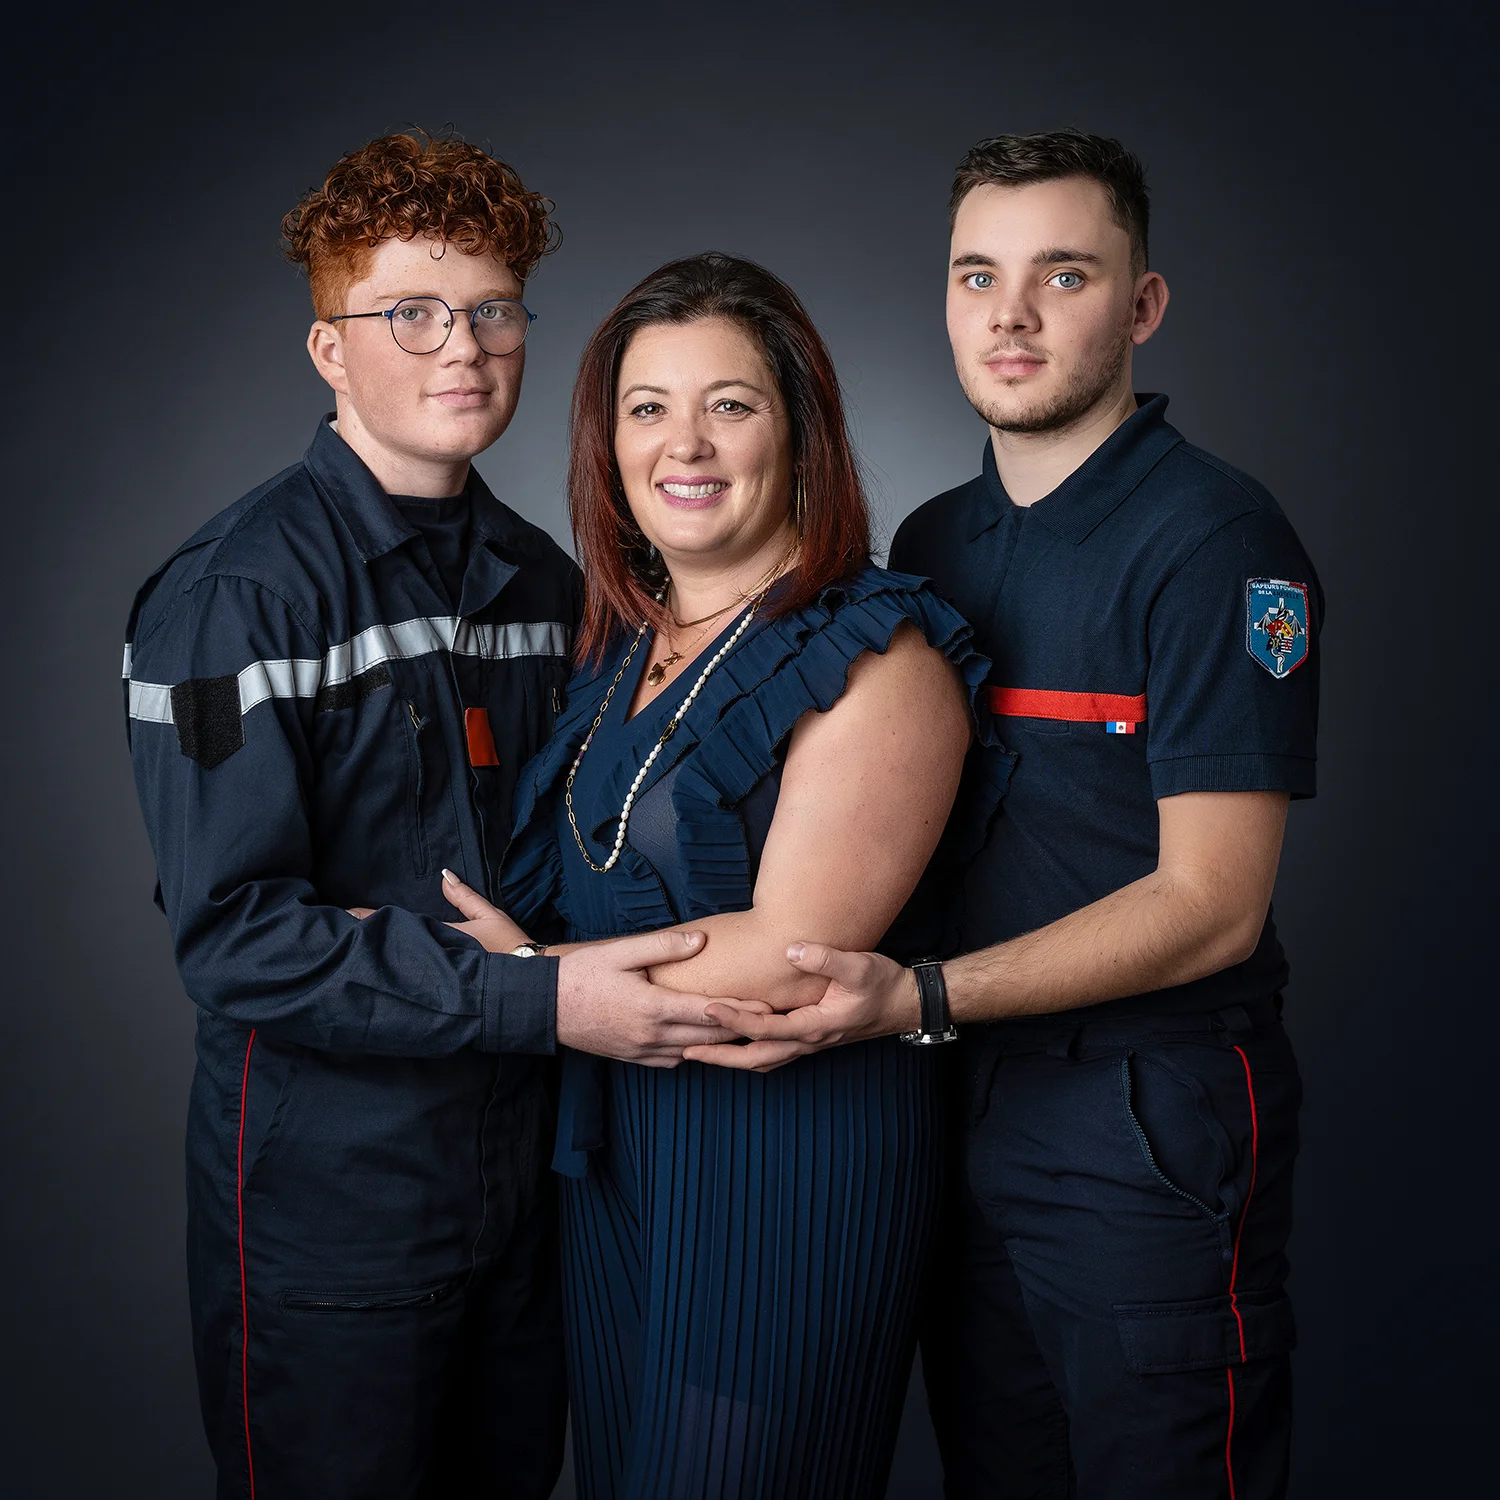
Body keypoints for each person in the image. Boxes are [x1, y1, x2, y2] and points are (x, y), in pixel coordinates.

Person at [694, 131, 1321, 1500]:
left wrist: (918, 997)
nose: (1013, 315)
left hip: (1141, 1122)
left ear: (1142, 307)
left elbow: (1214, 903)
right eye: (979, 275)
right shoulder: (932, 546)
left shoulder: (1218, 544)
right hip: (955, 1108)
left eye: (1065, 274)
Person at [123, 131, 738, 1500]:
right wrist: (536, 994)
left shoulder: (539, 580)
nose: (461, 346)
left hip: (528, 1199)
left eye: (493, 309)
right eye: (410, 313)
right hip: (333, 1217)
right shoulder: (237, 596)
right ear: (330, 350)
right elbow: (237, 941)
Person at [438, 250, 996, 1500]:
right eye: (648, 408)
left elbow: (798, 951)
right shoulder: (618, 651)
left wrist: (524, 979)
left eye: (730, 404)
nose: (683, 443)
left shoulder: (878, 655)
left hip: (787, 1157)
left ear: (801, 433)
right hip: (617, 1146)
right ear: (608, 441)